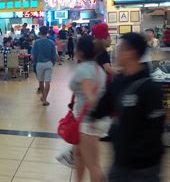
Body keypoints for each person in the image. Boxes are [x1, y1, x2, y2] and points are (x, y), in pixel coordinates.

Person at [91, 33, 165, 182]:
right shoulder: (119, 82)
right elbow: (104, 106)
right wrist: (91, 117)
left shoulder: (150, 88)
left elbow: (156, 129)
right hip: (120, 163)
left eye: (120, 48)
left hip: (144, 169)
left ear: (131, 53)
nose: (116, 52)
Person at [69, 36, 108, 182]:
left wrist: (93, 117)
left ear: (80, 52)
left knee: (93, 164)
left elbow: (90, 98)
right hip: (91, 119)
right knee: (79, 154)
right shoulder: (97, 68)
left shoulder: (83, 69)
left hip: (88, 120)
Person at [31, 26, 56, 106]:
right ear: (47, 32)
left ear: (40, 32)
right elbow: (54, 55)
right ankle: (45, 99)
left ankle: (43, 96)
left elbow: (33, 55)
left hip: (39, 63)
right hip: (48, 63)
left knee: (41, 81)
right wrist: (52, 62)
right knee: (47, 82)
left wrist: (35, 63)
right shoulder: (51, 42)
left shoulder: (36, 42)